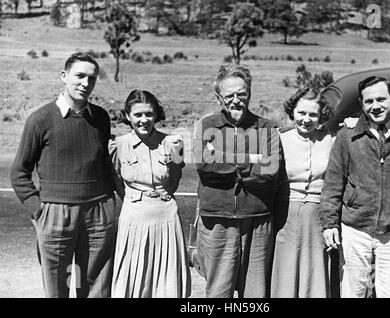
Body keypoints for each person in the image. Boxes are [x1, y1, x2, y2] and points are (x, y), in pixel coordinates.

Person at [10, 52, 117, 298]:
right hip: (56, 215)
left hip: (98, 214)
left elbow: (102, 164)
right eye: (79, 76)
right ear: (64, 76)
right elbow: (19, 173)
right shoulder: (40, 119)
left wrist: (110, 205)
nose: (85, 83)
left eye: (91, 78)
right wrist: (40, 211)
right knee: (58, 288)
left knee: (94, 288)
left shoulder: (101, 117)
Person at [319, 76, 390, 298]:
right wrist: (329, 223)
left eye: (381, 99)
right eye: (368, 101)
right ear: (362, 104)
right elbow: (333, 182)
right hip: (355, 227)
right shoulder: (347, 135)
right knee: (353, 291)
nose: (375, 106)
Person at [193, 64, 282, 298]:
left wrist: (225, 159)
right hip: (217, 219)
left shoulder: (266, 127)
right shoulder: (207, 125)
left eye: (241, 94)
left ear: (249, 93)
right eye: (229, 95)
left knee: (255, 293)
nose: (236, 100)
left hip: (257, 218)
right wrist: (251, 159)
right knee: (218, 291)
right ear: (218, 97)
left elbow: (270, 169)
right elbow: (205, 164)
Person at [110, 90, 191, 298]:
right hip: (134, 216)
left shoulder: (172, 143)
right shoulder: (118, 145)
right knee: (134, 279)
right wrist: (135, 199)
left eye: (149, 114)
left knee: (166, 281)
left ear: (156, 115)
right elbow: (117, 181)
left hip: (166, 216)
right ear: (128, 116)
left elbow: (173, 181)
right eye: (137, 115)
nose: (144, 120)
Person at [271, 88, 334, 298]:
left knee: (314, 274)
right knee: (285, 274)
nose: (306, 119)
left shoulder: (332, 140)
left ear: (321, 116)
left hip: (317, 217)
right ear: (292, 112)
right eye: (301, 113)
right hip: (285, 217)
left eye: (313, 115)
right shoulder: (279, 139)